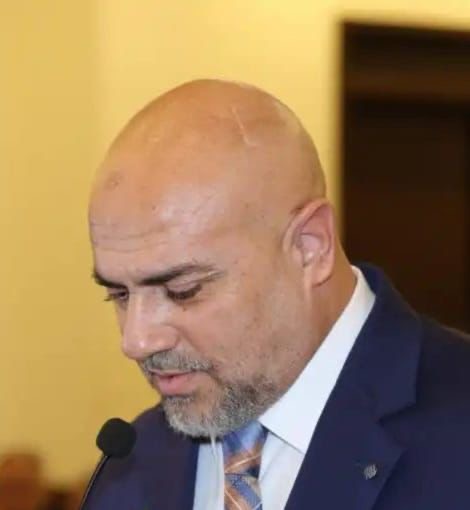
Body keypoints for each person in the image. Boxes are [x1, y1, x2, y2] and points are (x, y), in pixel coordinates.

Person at [87, 80, 470, 510]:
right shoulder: (130, 465)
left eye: (183, 291)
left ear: (310, 247)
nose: (136, 341)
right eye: (119, 295)